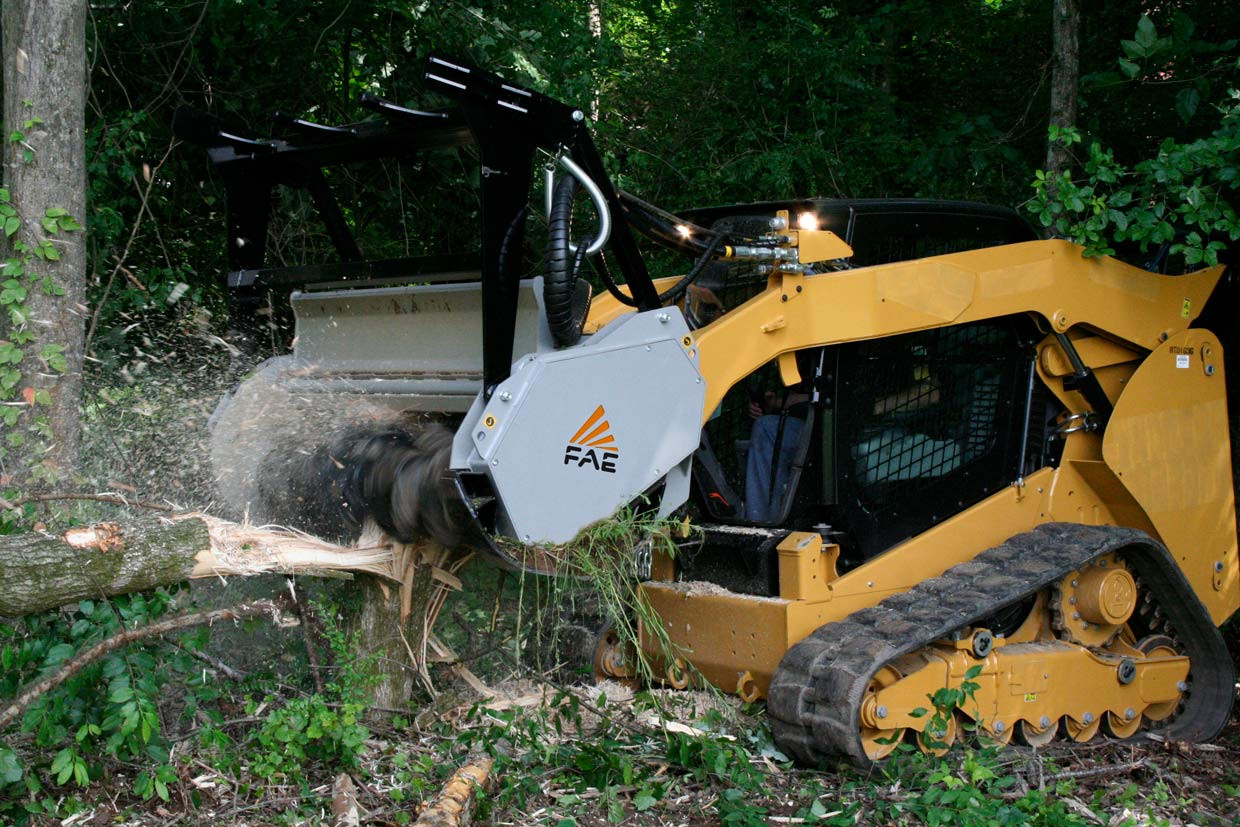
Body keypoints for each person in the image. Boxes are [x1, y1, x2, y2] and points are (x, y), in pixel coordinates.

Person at [743, 386, 810, 522]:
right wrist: (765, 406)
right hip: (792, 425)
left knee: (766, 428)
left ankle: (759, 521)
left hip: (829, 427)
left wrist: (796, 400)